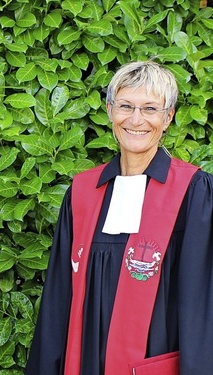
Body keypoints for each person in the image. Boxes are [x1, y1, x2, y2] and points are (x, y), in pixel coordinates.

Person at [25, 60, 213, 375]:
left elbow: (201, 304)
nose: (136, 120)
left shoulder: (192, 191)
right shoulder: (83, 191)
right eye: (126, 106)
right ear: (110, 111)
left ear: (168, 118)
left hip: (154, 360)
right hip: (83, 360)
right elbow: (59, 296)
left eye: (150, 109)